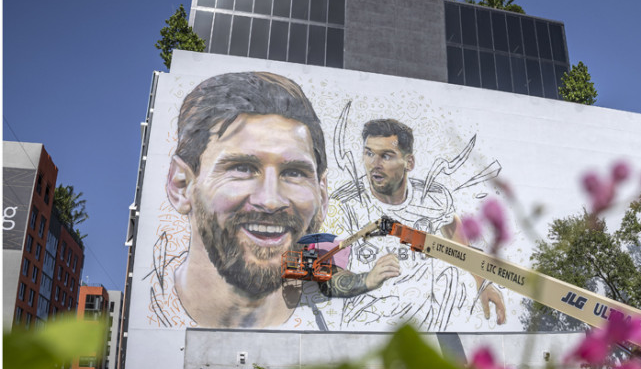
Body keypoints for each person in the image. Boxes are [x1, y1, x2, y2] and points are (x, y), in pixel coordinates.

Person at [157, 72, 398, 329]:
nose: (271, 201)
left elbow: (333, 279)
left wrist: (369, 279)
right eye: (242, 168)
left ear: (322, 193)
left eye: (294, 173)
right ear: (181, 185)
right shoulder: (151, 315)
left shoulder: (333, 312)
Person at [332, 119, 506, 330]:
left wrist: (481, 282)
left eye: (386, 156)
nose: (374, 164)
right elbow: (328, 275)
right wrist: (367, 279)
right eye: (369, 153)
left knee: (448, 276)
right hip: (366, 330)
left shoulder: (433, 198)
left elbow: (454, 232)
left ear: (409, 162)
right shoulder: (345, 203)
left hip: (423, 334)